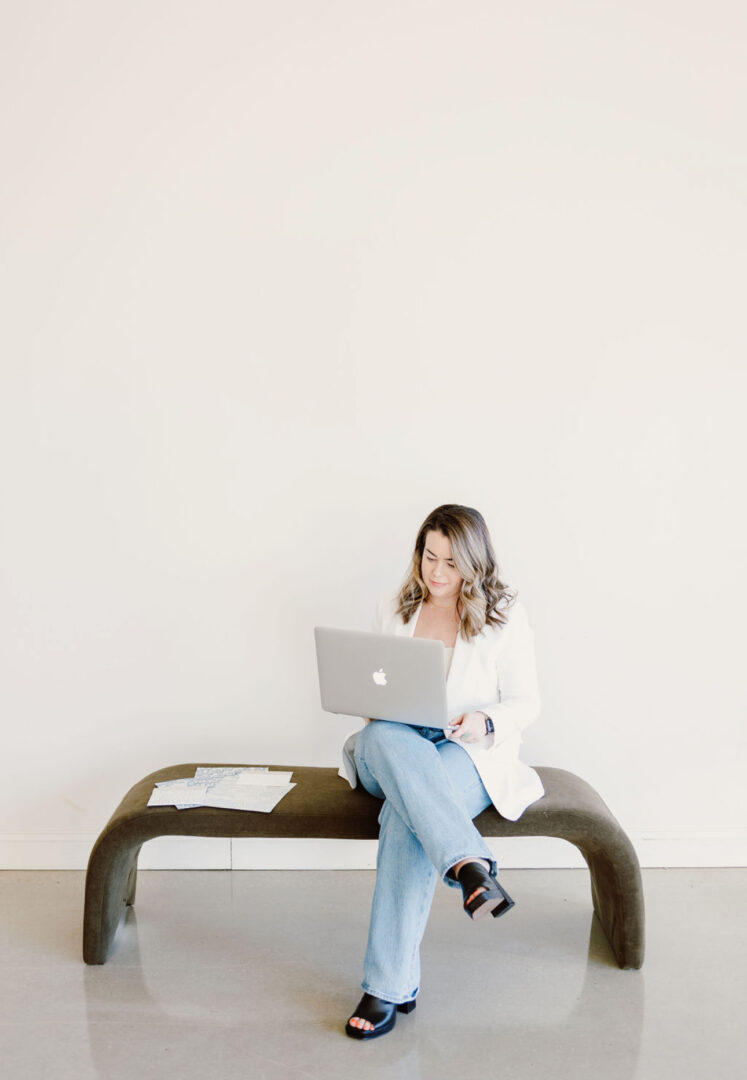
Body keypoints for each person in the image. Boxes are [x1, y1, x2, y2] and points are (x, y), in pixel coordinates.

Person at [339, 504, 545, 1040]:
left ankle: (387, 988)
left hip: (465, 751)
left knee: (405, 817)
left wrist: (485, 720)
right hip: (392, 745)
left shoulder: (504, 615)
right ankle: (470, 865)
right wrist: (372, 707)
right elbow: (370, 685)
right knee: (382, 738)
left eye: (451, 563)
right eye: (429, 557)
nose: (436, 572)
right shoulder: (394, 606)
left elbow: (526, 702)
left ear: (474, 564)